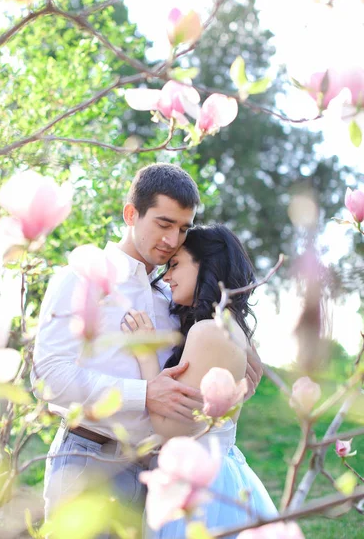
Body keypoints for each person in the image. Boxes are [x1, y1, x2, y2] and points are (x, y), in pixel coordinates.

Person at [31, 163, 263, 533]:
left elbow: (211, 351)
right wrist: (143, 394)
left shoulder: (170, 293)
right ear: (131, 214)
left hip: (158, 471)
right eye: (164, 223)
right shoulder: (84, 276)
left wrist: (243, 365)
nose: (173, 239)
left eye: (183, 228)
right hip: (91, 458)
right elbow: (48, 376)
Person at [121, 224, 277, 537]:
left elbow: (173, 429)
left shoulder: (207, 332)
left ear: (205, 265)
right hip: (219, 476)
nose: (166, 276)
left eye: (175, 264)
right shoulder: (229, 328)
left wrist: (146, 354)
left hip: (202, 486)